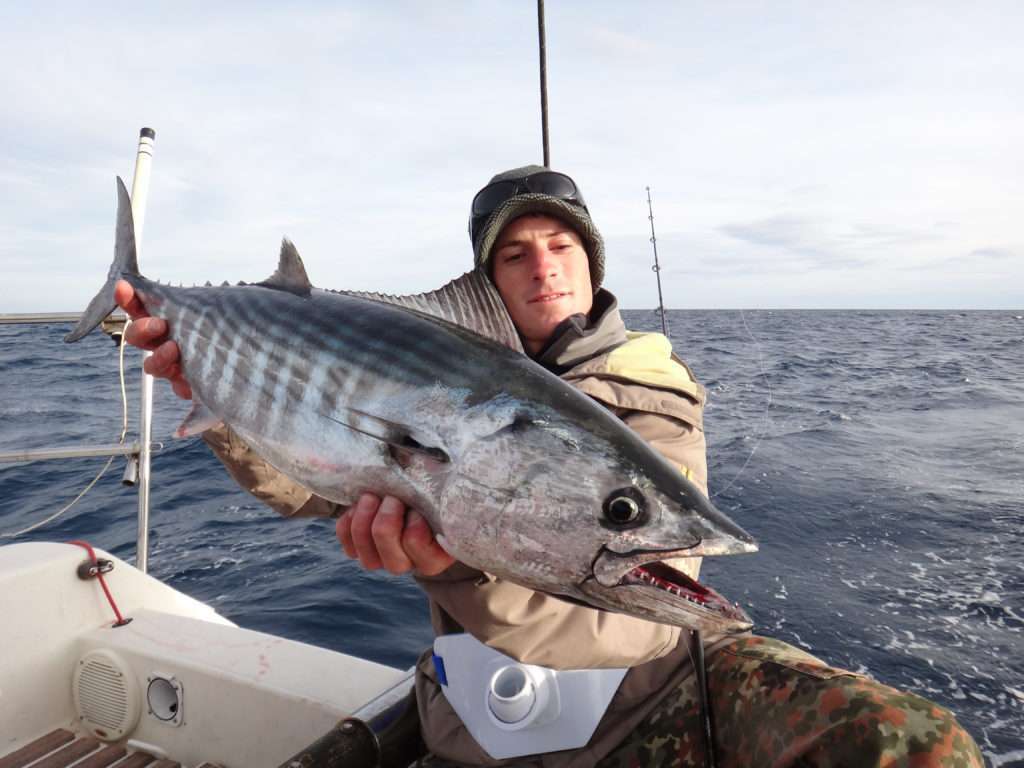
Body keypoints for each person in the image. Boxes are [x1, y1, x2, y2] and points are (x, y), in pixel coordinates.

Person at [117, 166, 983, 767]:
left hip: (644, 699)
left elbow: (636, 624)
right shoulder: (438, 371)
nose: (544, 268)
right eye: (514, 254)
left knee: (913, 741)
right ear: (487, 281)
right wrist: (221, 394)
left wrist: (456, 563)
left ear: (591, 261)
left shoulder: (653, 389)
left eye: (561, 246)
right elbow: (303, 486)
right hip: (474, 719)